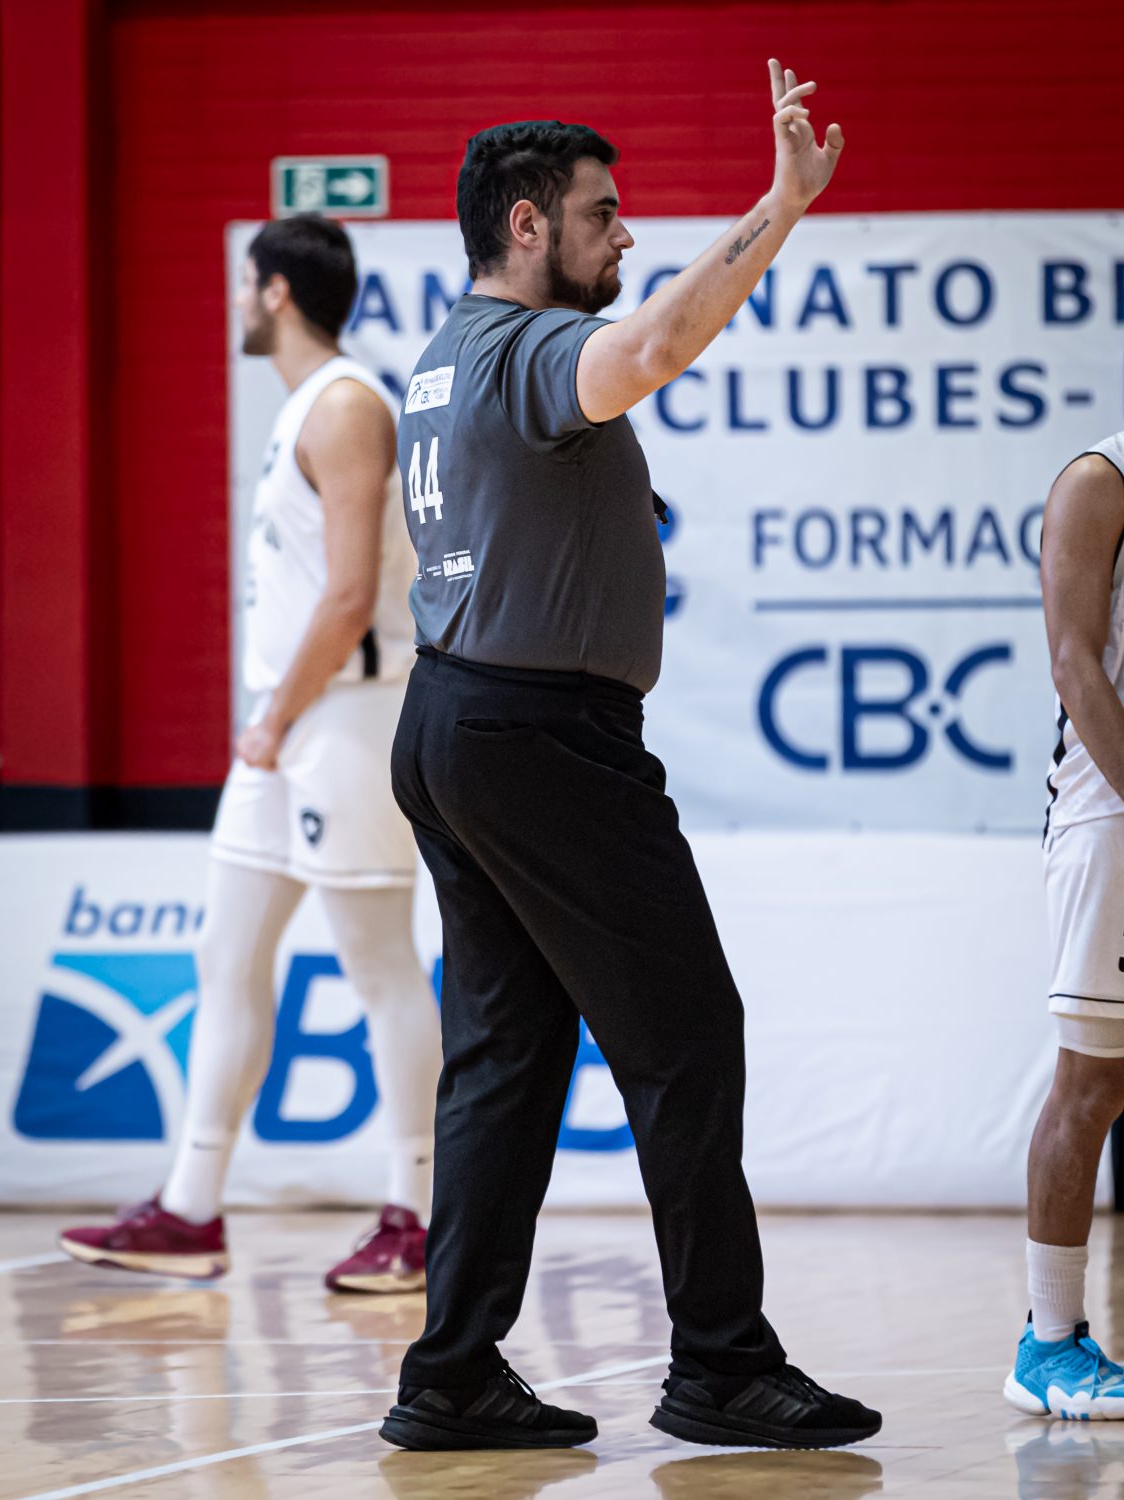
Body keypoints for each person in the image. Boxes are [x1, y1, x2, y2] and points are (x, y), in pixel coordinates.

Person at [378, 62, 883, 1451]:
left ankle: (452, 1374)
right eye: (602, 214)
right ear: (527, 224)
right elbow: (653, 347)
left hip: (456, 723)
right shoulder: (531, 349)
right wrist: (780, 208)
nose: (625, 232)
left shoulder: (443, 355)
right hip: (541, 739)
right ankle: (720, 1361)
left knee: (505, 1062)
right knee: (686, 1033)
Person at [59, 215, 443, 1293]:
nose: (233, 301)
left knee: (379, 966)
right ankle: (190, 1210)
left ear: (277, 291)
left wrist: (275, 717)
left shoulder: (350, 405)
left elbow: (352, 596)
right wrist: (273, 721)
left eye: (242, 284)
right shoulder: (301, 406)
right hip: (290, 722)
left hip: (347, 717)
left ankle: (418, 1217)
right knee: (225, 957)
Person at [1004, 255, 1124, 1420]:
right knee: (1095, 1081)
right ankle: (1048, 1344)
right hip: (1117, 813)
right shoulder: (1103, 483)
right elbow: (1073, 662)